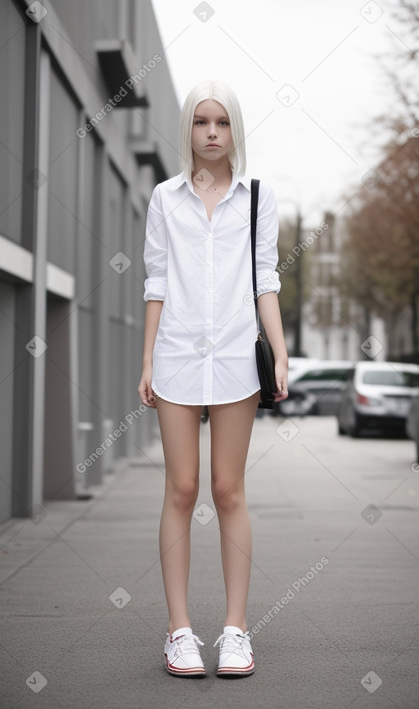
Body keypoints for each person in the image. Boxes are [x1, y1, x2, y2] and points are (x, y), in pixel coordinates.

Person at [138, 80, 288, 678]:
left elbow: (265, 281)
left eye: (221, 123)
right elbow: (155, 282)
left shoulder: (258, 198)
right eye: (201, 122)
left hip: (232, 357)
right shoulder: (163, 199)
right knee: (180, 489)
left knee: (228, 490)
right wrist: (147, 360)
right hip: (175, 355)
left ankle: (234, 631)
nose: (211, 133)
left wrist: (279, 353)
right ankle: (179, 631)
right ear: (189, 129)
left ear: (235, 130)